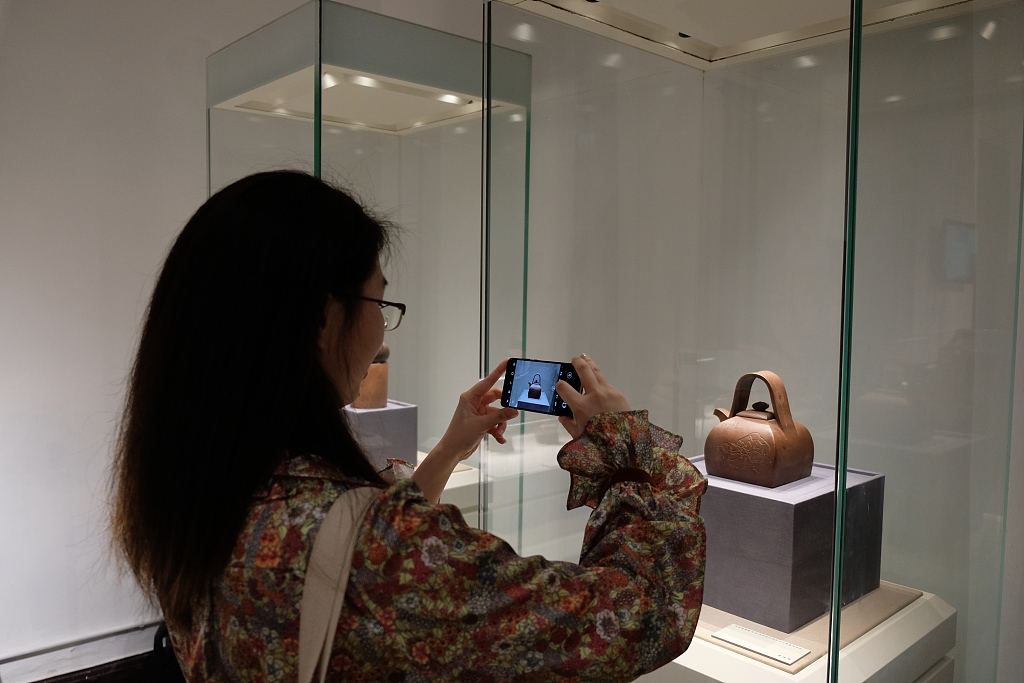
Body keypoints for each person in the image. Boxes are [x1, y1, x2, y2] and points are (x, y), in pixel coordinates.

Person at [111, 170, 706, 682]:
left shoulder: (192, 485)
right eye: (379, 305)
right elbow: (632, 618)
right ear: (324, 317)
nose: (379, 335)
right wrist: (626, 451)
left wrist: (449, 447)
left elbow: (342, 562)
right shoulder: (386, 548)